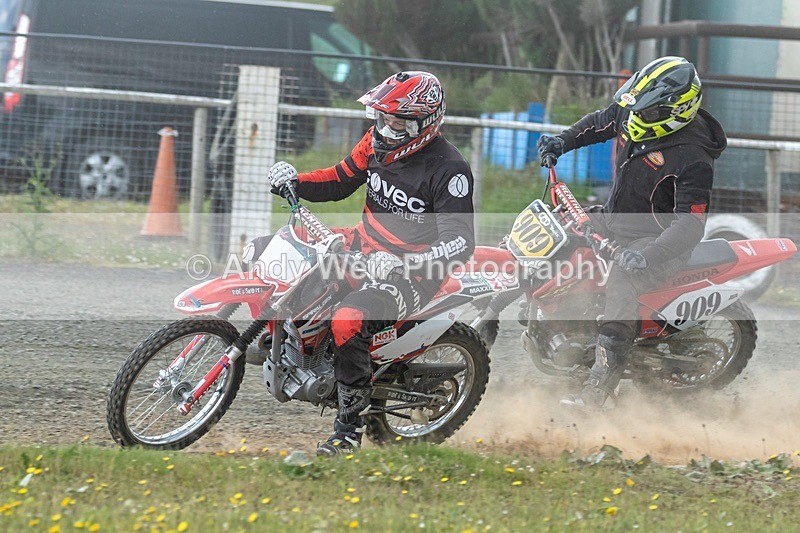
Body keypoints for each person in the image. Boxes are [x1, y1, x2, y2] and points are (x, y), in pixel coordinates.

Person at [267, 71, 475, 454]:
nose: (387, 129)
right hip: (363, 248)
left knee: (348, 321)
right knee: (289, 272)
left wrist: (404, 264)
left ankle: (348, 432)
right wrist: (297, 181)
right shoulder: (375, 143)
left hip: (413, 274)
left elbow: (460, 241)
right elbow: (340, 179)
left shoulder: (450, 170)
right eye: (382, 118)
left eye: (399, 122)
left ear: (426, 123)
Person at [537, 56, 727, 410]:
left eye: (647, 113)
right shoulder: (637, 112)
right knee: (555, 233)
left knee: (622, 280)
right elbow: (601, 120)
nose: (635, 119)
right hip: (616, 220)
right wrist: (561, 142)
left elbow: (690, 224)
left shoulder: (694, 159)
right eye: (635, 109)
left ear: (678, 110)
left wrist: (646, 255)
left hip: (658, 243)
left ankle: (599, 390)